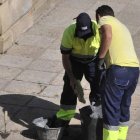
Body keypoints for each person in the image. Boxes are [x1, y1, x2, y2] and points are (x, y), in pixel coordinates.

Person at [95, 5, 139, 140]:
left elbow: (107, 35)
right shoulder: (122, 25)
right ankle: (121, 138)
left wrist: (100, 58)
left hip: (119, 70)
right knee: (123, 106)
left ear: (98, 16)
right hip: (134, 70)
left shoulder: (104, 20)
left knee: (111, 109)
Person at [51, 12, 101, 128]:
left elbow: (105, 48)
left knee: (98, 85)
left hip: (92, 61)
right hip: (74, 61)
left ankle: (98, 116)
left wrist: (102, 67)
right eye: (81, 35)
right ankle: (64, 117)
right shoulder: (69, 32)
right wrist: (72, 78)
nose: (84, 38)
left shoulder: (99, 30)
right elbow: (65, 57)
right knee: (69, 87)